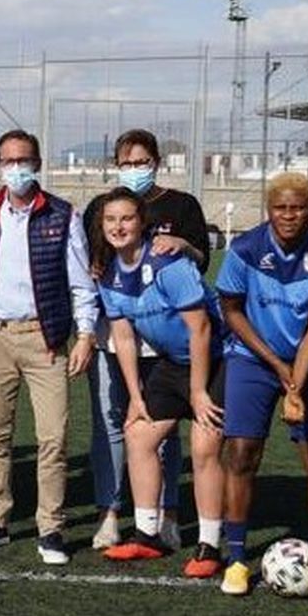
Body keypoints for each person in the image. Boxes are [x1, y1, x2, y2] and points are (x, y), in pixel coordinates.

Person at [0, 129, 96, 566]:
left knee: (53, 437)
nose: (16, 168)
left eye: (25, 160)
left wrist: (86, 334)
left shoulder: (62, 214)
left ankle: (51, 528)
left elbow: (80, 282)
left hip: (46, 338)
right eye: (8, 160)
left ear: (37, 163)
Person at [214, 172, 308, 601]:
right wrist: (276, 365)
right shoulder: (245, 249)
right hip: (252, 360)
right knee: (240, 454)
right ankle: (236, 559)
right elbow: (231, 310)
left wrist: (297, 379)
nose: (289, 215)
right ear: (268, 209)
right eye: (280, 208)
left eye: (298, 207)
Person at [81, 129, 208, 551]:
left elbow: (200, 259)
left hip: (174, 339)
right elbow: (95, 267)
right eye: (126, 162)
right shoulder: (100, 209)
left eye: (141, 161)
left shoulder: (182, 205)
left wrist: (182, 245)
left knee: (172, 434)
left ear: (156, 161)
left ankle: (170, 515)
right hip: (121, 330)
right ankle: (112, 513)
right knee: (117, 423)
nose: (134, 169)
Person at [94, 188, 227, 578]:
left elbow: (201, 328)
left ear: (142, 222)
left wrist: (199, 392)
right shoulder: (109, 272)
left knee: (204, 444)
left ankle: (209, 545)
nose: (119, 227)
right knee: (138, 434)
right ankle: (147, 534)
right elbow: (123, 338)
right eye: (110, 220)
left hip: (217, 360)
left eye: (127, 219)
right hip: (173, 363)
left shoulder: (168, 262)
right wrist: (135, 396)